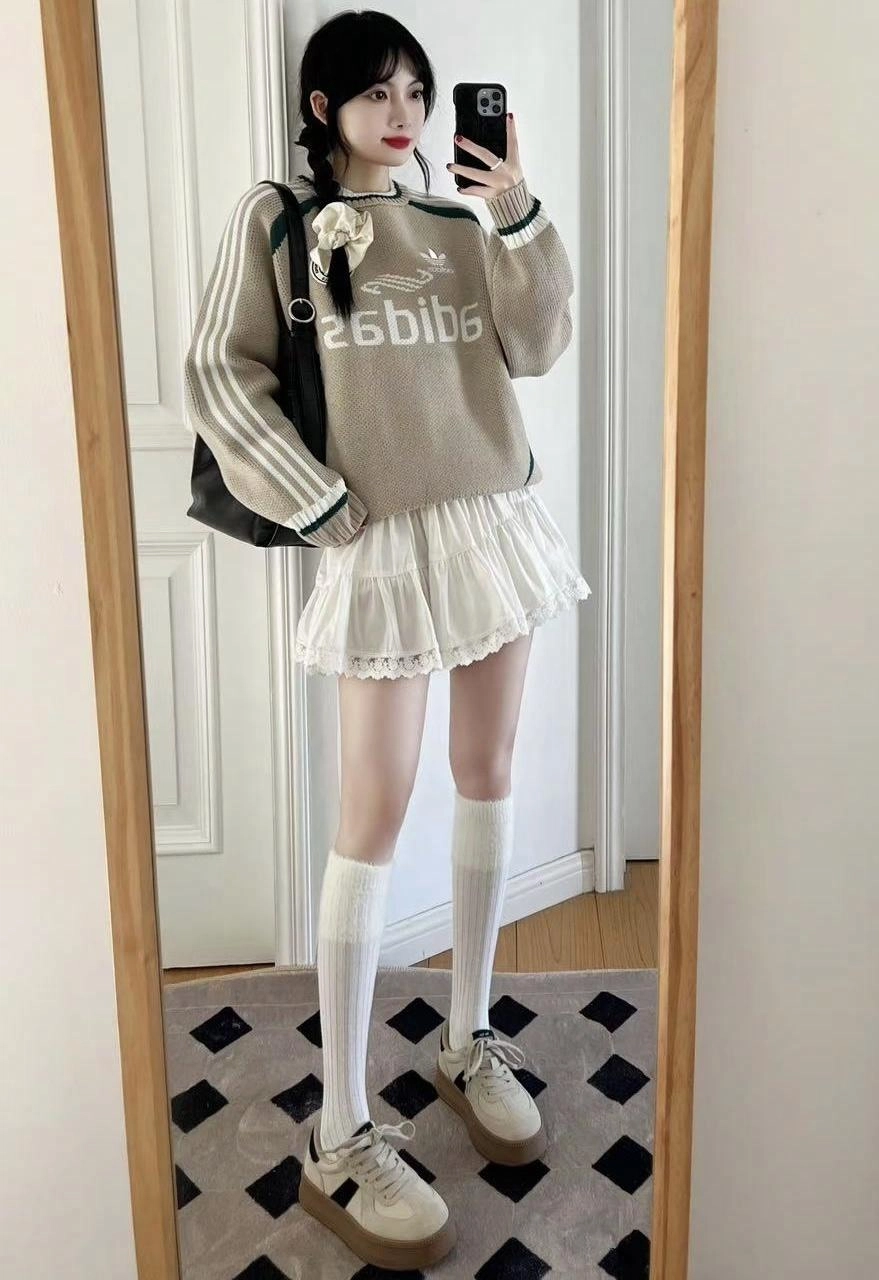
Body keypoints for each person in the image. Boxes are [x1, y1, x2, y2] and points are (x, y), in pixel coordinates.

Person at [182, 9, 589, 1270]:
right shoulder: (280, 218)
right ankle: (340, 1128)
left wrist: (514, 208)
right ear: (324, 110)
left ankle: (467, 1033)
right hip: (382, 541)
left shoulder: (461, 223)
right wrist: (315, 501)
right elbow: (219, 370)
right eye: (375, 94)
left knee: (489, 770)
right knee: (372, 812)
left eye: (415, 90)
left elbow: (538, 345)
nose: (402, 113)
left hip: (493, 518)